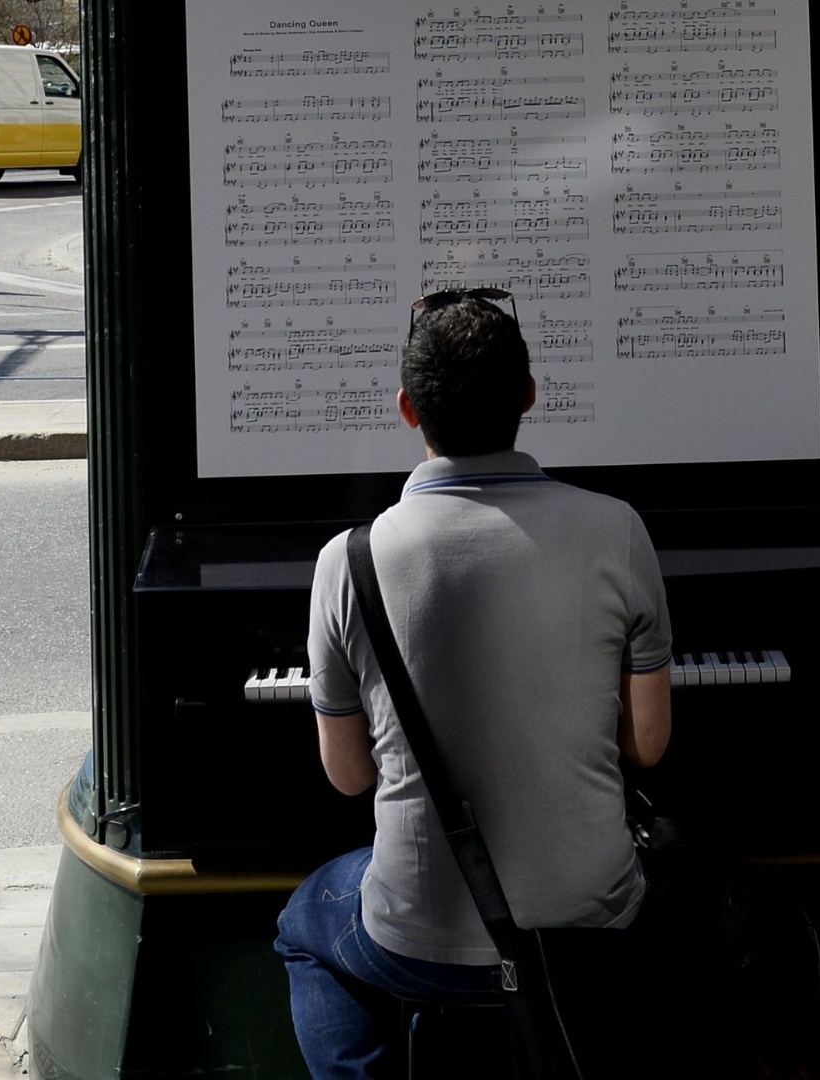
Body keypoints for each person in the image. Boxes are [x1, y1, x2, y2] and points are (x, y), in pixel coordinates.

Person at [275, 289, 674, 1080]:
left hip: (415, 935)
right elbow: (648, 746)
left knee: (301, 924)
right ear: (529, 397)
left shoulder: (346, 560)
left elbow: (349, 775)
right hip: (590, 926)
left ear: (406, 409)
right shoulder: (617, 529)